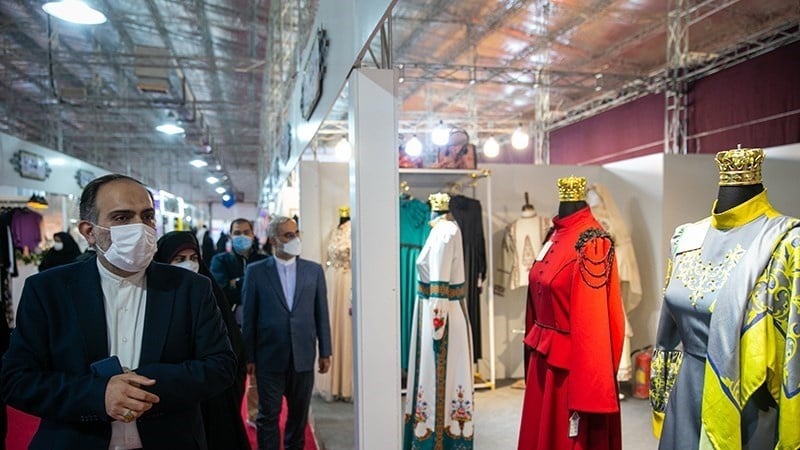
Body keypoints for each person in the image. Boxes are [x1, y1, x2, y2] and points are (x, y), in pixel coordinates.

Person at [0, 173, 236, 450]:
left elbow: (220, 365)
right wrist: (98, 395)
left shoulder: (191, 288)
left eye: (147, 216)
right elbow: (17, 379)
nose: (140, 227)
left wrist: (143, 387)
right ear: (89, 231)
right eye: (122, 218)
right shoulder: (48, 290)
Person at [650, 147, 800, 449]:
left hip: (749, 402)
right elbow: (668, 331)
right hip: (686, 388)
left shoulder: (788, 243)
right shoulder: (685, 238)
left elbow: (793, 350)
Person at [517, 176, 625, 450]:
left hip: (569, 372)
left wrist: (588, 396)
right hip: (543, 362)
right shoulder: (553, 235)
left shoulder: (593, 242)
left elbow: (595, 326)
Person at [153, 231, 250, 450]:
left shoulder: (210, 292)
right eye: (179, 259)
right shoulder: (154, 297)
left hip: (213, 396)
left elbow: (233, 346)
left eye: (193, 258)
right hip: (170, 398)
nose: (189, 264)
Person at [242, 215, 332, 450]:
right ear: (274, 240)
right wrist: (249, 356)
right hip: (269, 357)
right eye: (288, 235)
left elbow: (321, 313)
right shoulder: (256, 272)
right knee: (268, 416)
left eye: (296, 233)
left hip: (303, 356)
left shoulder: (313, 271)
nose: (295, 239)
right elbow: (249, 317)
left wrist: (325, 351)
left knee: (298, 417)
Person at [403, 192, 475, 449]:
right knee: (431, 379)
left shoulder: (445, 233)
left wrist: (437, 326)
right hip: (434, 312)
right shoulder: (442, 231)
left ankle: (437, 441)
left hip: (440, 317)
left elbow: (439, 287)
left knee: (439, 378)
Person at [209, 218, 267, 426]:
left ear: (253, 234)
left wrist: (237, 282)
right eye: (237, 233)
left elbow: (266, 293)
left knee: (259, 375)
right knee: (233, 377)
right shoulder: (220, 261)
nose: (242, 236)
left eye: (245, 232)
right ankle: (231, 420)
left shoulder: (263, 260)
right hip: (231, 329)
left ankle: (254, 415)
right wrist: (247, 284)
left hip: (260, 328)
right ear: (230, 236)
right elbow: (222, 292)